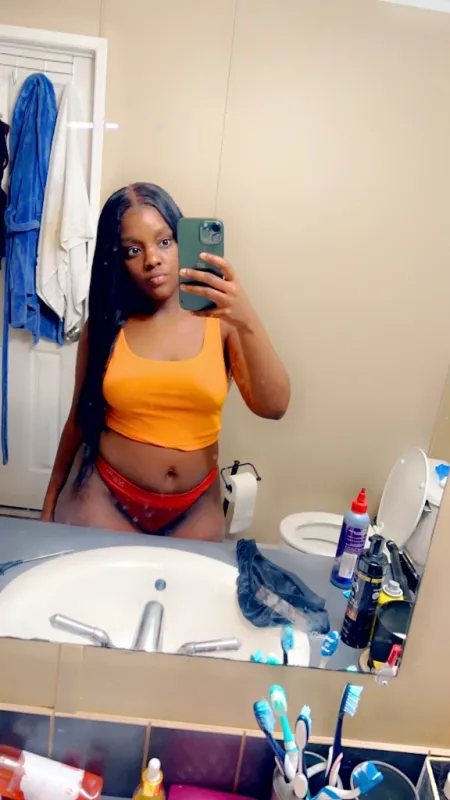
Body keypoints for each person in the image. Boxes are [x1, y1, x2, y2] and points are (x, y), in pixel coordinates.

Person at [41, 183, 290, 541]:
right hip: (105, 497)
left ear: (181, 243)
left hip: (195, 507)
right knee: (97, 578)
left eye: (164, 241)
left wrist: (246, 318)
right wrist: (50, 500)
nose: (152, 259)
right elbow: (79, 418)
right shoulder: (106, 325)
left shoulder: (222, 321)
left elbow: (274, 406)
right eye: (133, 250)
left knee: (189, 580)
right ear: (118, 259)